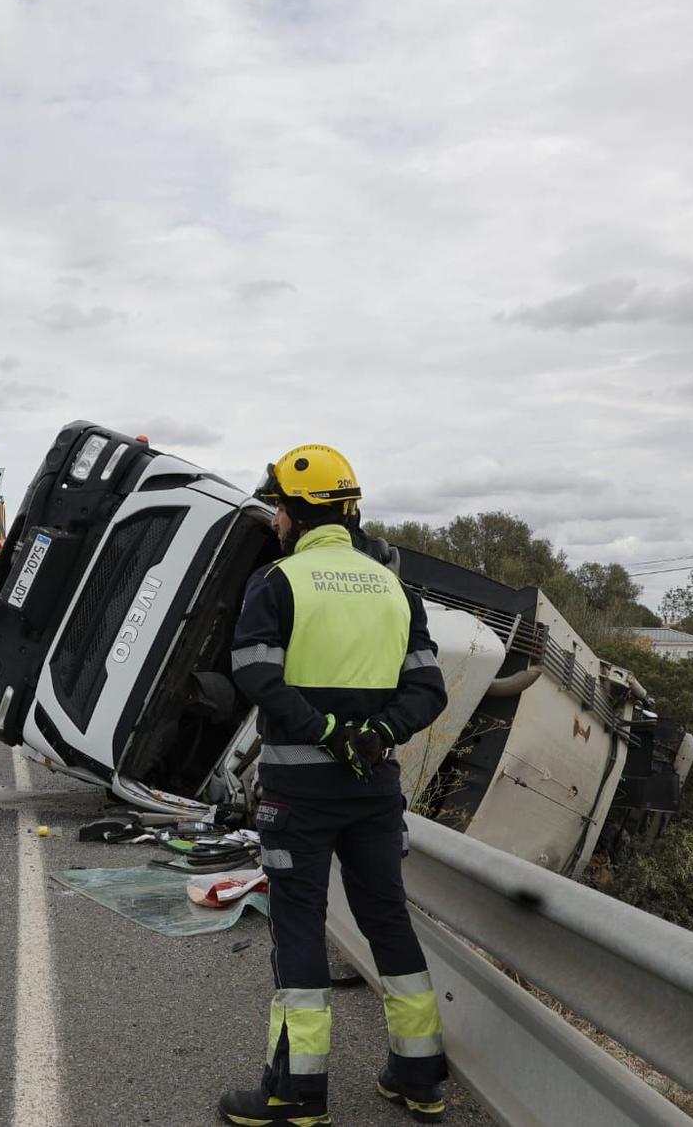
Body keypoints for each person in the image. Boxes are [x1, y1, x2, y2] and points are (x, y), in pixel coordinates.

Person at [219, 445, 450, 1126]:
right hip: (373, 790)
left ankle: (295, 1092)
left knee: (297, 928)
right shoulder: (396, 589)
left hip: (299, 796)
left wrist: (324, 727)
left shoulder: (278, 582)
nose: (275, 521)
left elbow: (256, 673)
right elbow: (428, 689)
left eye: (279, 509)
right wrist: (376, 734)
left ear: (298, 512)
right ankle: (421, 1077)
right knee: (389, 924)